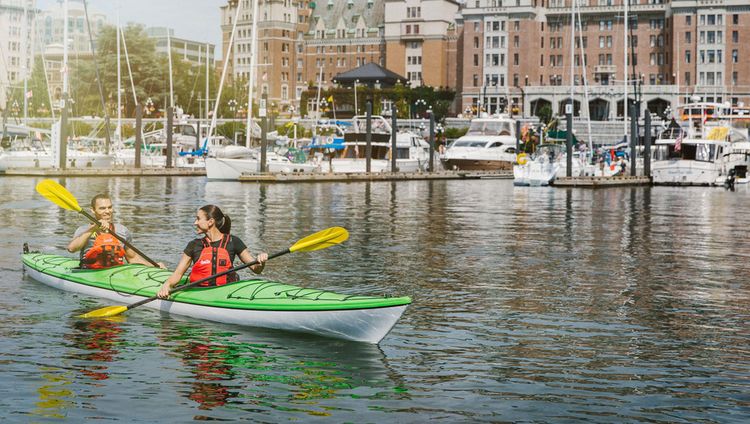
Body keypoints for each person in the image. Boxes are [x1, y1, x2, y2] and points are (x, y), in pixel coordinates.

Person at [157, 205, 268, 299]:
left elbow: (256, 269)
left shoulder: (234, 241)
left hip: (227, 293)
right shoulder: (194, 245)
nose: (195, 223)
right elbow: (178, 273)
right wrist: (167, 285)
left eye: (198, 219)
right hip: (199, 293)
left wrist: (261, 262)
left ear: (210, 222)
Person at [67, 193, 159, 269]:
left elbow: (133, 258)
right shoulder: (84, 230)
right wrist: (93, 229)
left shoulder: (122, 230)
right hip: (89, 272)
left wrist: (155, 267)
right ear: (93, 210)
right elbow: (72, 249)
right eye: (102, 208)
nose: (107, 211)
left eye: (110, 207)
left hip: (115, 273)